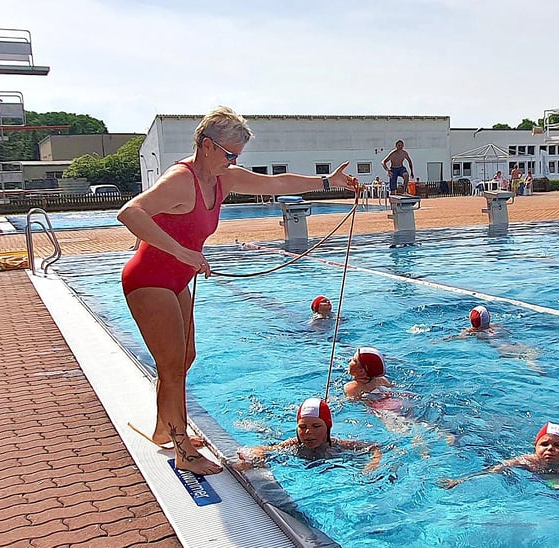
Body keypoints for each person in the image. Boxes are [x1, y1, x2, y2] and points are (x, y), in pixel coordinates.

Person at [118, 106, 359, 475]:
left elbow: (277, 184)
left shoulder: (222, 179)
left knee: (184, 359)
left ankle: (162, 429)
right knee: (171, 366)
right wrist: (183, 251)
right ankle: (182, 448)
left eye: (238, 156)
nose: (233, 161)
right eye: (229, 154)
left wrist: (329, 182)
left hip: (177, 278)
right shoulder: (180, 180)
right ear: (207, 145)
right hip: (148, 280)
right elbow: (130, 213)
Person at [439, 422, 559, 531]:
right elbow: (495, 469)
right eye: (545, 444)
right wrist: (461, 480)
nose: (550, 448)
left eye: (558, 445)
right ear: (535, 448)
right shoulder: (527, 461)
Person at [235, 397, 382, 474]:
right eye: (302, 427)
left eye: (316, 426)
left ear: (328, 427)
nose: (308, 432)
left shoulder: (339, 445)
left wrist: (373, 464)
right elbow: (261, 448)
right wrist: (256, 457)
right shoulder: (293, 444)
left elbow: (374, 448)